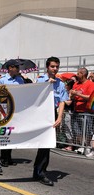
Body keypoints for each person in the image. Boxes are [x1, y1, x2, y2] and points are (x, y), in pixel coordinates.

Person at [33, 57, 68, 186]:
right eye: (53, 66)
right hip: (41, 114)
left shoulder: (61, 83)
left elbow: (62, 101)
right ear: (47, 67)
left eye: (57, 67)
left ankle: (39, 170)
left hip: (52, 114)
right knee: (43, 144)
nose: (55, 69)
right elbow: (34, 97)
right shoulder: (40, 80)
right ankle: (39, 171)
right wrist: (47, 84)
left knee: (47, 144)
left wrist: (59, 117)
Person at [0, 59, 26, 167]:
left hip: (16, 110)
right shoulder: (2, 80)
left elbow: (23, 93)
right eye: (16, 67)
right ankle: (3, 157)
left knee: (12, 134)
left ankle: (9, 157)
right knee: (5, 134)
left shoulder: (20, 80)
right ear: (10, 68)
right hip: (5, 109)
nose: (18, 69)